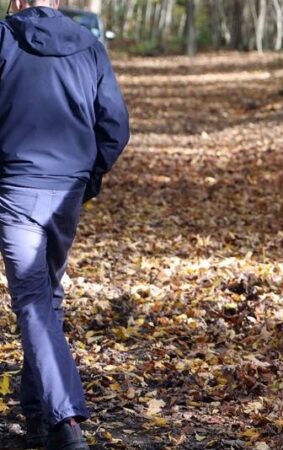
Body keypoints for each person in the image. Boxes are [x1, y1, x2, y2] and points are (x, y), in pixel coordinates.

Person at [0, 0, 129, 448]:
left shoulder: (1, 39)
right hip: (66, 188)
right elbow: (115, 124)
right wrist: (88, 178)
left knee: (34, 299)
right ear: (56, 2)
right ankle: (37, 412)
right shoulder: (88, 45)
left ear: (16, 1)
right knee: (45, 296)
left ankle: (65, 420)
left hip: (17, 186)